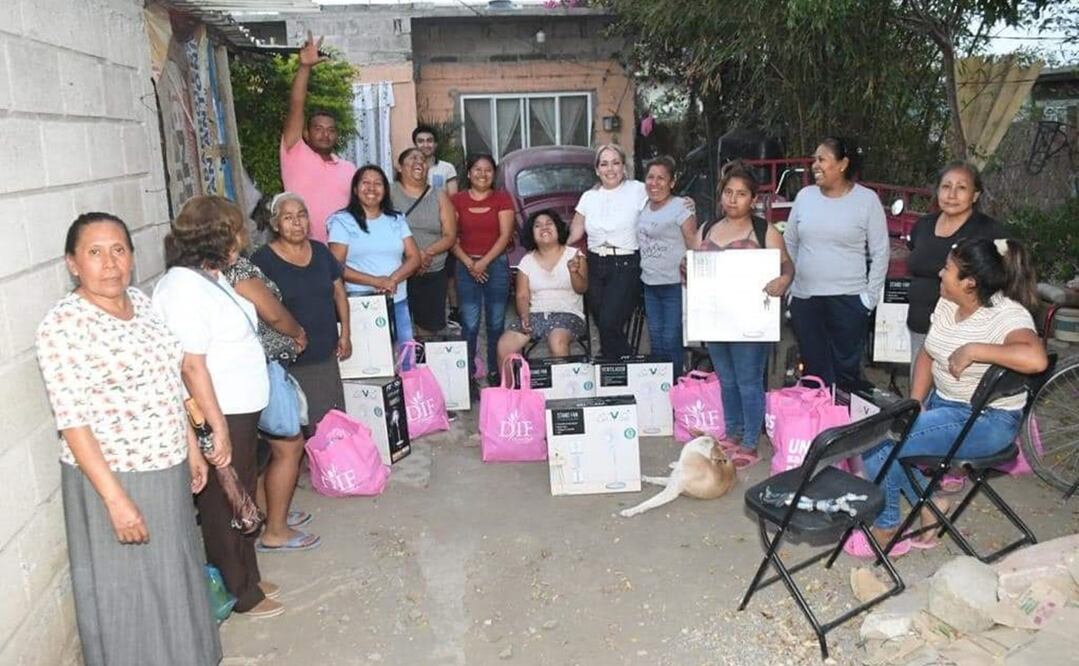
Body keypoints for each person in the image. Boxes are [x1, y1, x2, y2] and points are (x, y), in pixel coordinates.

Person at [36, 213, 222, 665]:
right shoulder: (63, 326)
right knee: (127, 590)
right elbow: (73, 421)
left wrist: (191, 447)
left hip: (167, 467)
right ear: (73, 264)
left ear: (132, 257)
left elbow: (170, 382)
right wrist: (116, 501)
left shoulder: (141, 304)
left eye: (118, 250)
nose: (110, 263)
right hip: (113, 477)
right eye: (94, 252)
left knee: (172, 574)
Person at [847, 237, 1047, 557]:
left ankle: (888, 526)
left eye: (948, 269)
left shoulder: (1008, 315)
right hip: (945, 404)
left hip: (986, 421)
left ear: (969, 283)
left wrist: (975, 349)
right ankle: (930, 504)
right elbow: (929, 352)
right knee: (889, 434)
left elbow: (1036, 359)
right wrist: (915, 402)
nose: (941, 274)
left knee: (879, 443)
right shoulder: (948, 302)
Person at [152, 196, 281, 619]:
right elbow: (191, 365)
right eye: (236, 227)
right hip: (220, 411)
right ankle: (239, 594)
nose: (243, 234)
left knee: (241, 490)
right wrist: (217, 427)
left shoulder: (210, 276)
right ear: (219, 234)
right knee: (223, 501)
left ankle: (250, 577)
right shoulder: (181, 288)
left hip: (240, 406)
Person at [221, 206, 321, 554]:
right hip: (261, 366)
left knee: (267, 447)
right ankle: (276, 530)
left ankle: (271, 512)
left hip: (253, 368)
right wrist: (297, 333)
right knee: (288, 443)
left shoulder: (215, 271)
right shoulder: (236, 269)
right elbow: (273, 313)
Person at [695, 162, 794, 468]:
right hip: (715, 318)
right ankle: (733, 432)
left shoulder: (764, 231)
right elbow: (695, 266)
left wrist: (783, 280)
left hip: (751, 321)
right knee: (726, 379)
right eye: (728, 192)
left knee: (749, 381)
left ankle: (751, 441)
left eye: (741, 194)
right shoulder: (708, 228)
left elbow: (787, 265)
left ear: (753, 199)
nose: (733, 199)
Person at [784, 136, 889, 390]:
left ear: (842, 164)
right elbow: (789, 243)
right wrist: (790, 290)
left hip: (849, 300)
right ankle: (819, 424)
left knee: (846, 372)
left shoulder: (867, 200)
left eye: (822, 159)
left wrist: (869, 298)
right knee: (813, 370)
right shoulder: (805, 196)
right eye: (814, 160)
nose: (814, 165)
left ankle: (846, 425)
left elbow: (881, 251)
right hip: (806, 299)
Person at [253, 192, 351, 432]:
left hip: (325, 351)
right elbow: (260, 310)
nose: (297, 222)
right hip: (291, 357)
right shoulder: (263, 260)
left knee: (330, 418)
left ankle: (331, 465)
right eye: (288, 217)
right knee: (298, 423)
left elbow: (339, 292)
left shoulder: (320, 252)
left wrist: (345, 333)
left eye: (302, 215)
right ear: (275, 224)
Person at [907, 161, 1006, 367]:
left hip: (964, 334)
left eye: (961, 188)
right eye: (946, 187)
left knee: (953, 392)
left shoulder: (990, 232)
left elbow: (1008, 278)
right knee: (919, 391)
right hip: (920, 327)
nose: (952, 195)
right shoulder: (923, 226)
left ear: (975, 195)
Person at [568, 143, 648, 358]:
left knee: (609, 322)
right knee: (602, 323)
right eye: (604, 164)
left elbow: (662, 200)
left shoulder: (638, 189)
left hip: (625, 265)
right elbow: (575, 232)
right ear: (596, 169)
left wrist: (682, 203)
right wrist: (551, 253)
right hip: (594, 265)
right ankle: (614, 371)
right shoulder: (589, 197)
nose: (610, 169)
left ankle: (621, 364)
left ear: (624, 167)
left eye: (615, 163)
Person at [328, 165, 422, 345]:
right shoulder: (342, 221)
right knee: (370, 360)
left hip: (398, 298)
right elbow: (336, 266)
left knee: (405, 358)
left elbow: (414, 257)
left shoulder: (396, 219)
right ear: (355, 189)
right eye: (365, 183)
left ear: (385, 190)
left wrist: (391, 280)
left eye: (378, 184)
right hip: (359, 302)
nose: (372, 188)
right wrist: (376, 281)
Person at [280, 32, 355, 243]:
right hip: (301, 250)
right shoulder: (294, 152)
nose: (325, 134)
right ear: (306, 133)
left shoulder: (349, 169)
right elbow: (296, 105)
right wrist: (304, 68)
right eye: (319, 129)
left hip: (340, 255)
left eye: (331, 130)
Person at [450, 154, 515, 385]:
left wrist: (483, 262)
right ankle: (467, 378)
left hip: (495, 266)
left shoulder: (502, 199)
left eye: (488, 170)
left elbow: (505, 235)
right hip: (465, 265)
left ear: (494, 174)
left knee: (496, 323)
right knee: (469, 324)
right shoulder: (456, 200)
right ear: (468, 173)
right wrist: (470, 263)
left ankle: (495, 374)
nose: (482, 174)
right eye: (477, 169)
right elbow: (450, 237)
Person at [498, 210, 588, 367]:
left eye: (549, 224)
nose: (544, 228)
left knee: (557, 340)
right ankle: (513, 390)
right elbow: (522, 296)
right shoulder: (526, 261)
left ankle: (562, 390)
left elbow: (582, 289)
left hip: (568, 314)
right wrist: (524, 316)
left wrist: (573, 272)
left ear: (558, 228)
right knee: (504, 345)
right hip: (535, 314)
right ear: (531, 234)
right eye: (537, 226)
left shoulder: (575, 255)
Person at [637, 155, 696, 376]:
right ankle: (660, 390)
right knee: (656, 340)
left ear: (672, 182)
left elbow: (693, 243)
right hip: (650, 283)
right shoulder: (643, 206)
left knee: (672, 340)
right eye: (650, 177)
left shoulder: (681, 206)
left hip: (674, 284)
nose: (655, 183)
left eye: (661, 178)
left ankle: (676, 388)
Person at [390, 147, 458, 336]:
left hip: (432, 270)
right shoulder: (389, 193)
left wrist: (425, 254)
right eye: (412, 158)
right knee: (397, 327)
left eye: (422, 159)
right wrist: (412, 257)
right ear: (400, 167)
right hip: (397, 270)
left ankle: (425, 364)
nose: (419, 162)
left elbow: (450, 235)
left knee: (429, 329)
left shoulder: (439, 195)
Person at [414, 124, 458, 194]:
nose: (425, 145)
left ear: (435, 144)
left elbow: (453, 197)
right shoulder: (410, 169)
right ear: (415, 145)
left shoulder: (447, 168)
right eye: (421, 141)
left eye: (429, 141)